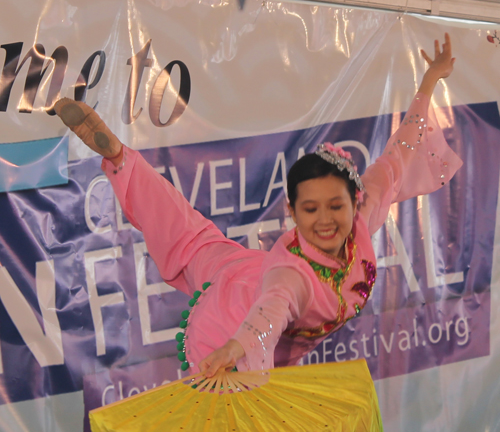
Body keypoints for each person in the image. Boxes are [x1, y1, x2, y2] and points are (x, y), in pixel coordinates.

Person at [54, 34, 461, 378]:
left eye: (336, 207)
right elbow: (268, 313)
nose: (325, 221)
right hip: (235, 312)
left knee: (191, 237)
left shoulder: (362, 217)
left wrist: (430, 78)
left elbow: (400, 153)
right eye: (311, 210)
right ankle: (121, 159)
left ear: (356, 202)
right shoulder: (292, 275)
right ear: (293, 213)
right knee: (245, 407)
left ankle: (124, 160)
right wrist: (236, 348)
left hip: (240, 267)